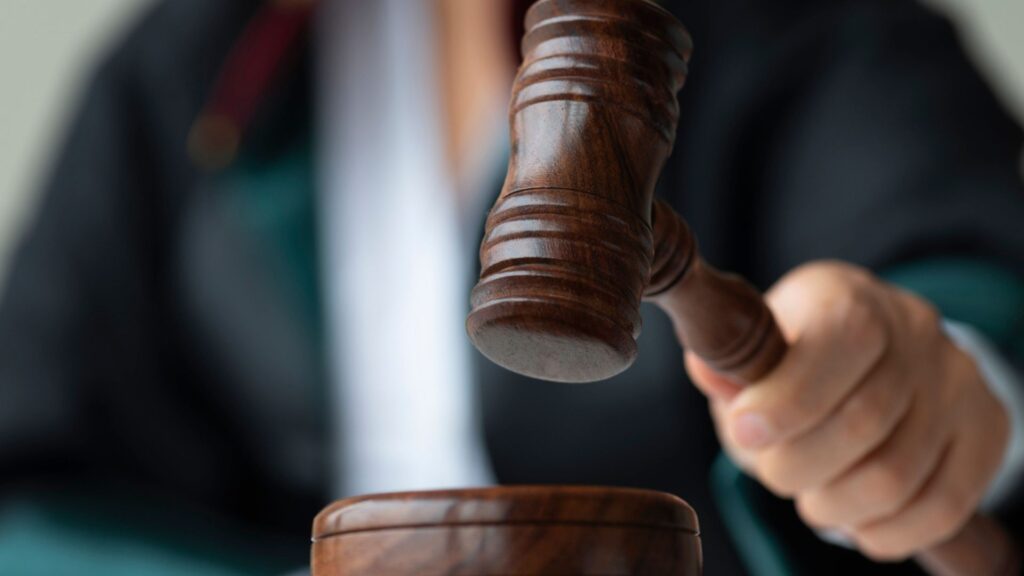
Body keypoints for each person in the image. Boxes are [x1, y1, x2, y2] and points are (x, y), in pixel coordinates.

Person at [2, 0, 1024, 574]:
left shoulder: (821, 32)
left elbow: (953, 272)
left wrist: (937, 396)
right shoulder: (184, 71)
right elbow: (27, 492)